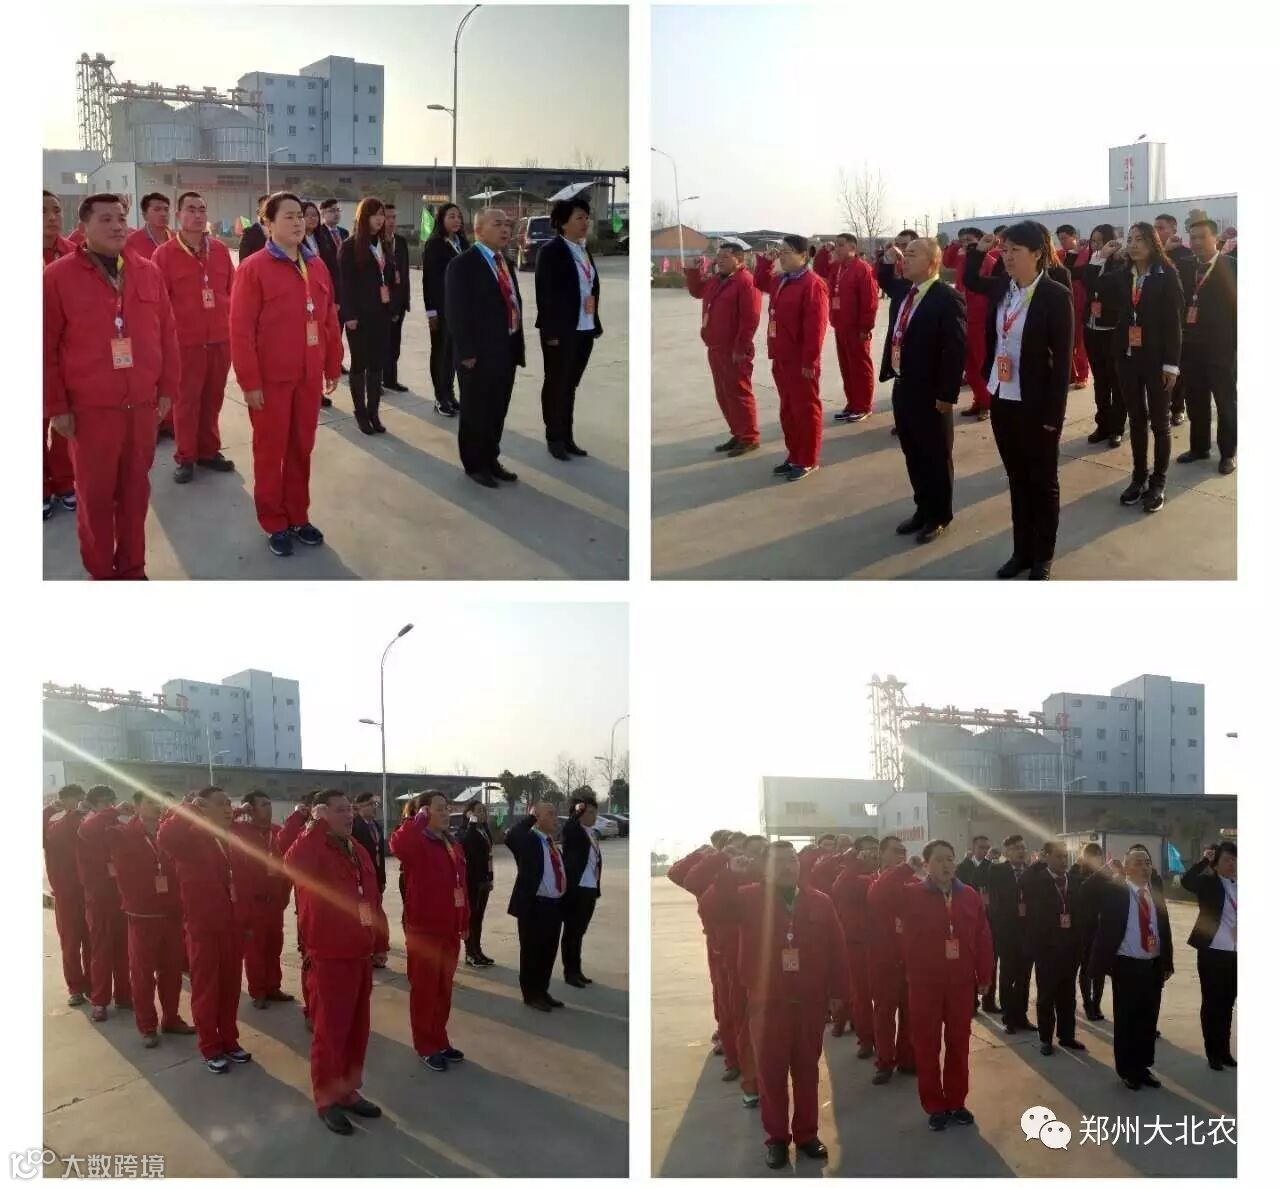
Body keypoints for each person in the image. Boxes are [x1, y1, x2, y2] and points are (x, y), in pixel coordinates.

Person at [43, 193, 180, 579]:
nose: (117, 226)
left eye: (121, 218)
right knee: (96, 498)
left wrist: (167, 389)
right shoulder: (57, 277)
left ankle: (133, 569)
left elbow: (167, 334)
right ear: (83, 227)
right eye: (105, 219)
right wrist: (56, 407)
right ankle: (101, 572)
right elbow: (45, 348)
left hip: (141, 407)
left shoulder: (147, 271)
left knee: (136, 494)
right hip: (91, 412)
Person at [709, 841, 849, 1169]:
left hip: (810, 1004)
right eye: (780, 862)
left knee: (807, 1071)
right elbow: (712, 909)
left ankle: (806, 1135)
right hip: (767, 1003)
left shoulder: (820, 901)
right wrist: (728, 872)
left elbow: (837, 948)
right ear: (766, 868)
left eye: (793, 860)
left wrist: (839, 991)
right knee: (771, 1075)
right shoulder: (747, 898)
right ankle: (776, 1139)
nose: (789, 867)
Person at [230, 191, 342, 557]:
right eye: (288, 216)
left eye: (300, 215)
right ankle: (274, 521)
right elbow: (241, 331)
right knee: (270, 451)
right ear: (268, 223)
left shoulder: (317, 266)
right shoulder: (254, 269)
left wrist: (332, 363)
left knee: (301, 448)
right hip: (271, 381)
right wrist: (249, 382)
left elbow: (328, 319)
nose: (297, 222)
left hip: (307, 377)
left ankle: (298, 516)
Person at [963, 222, 1074, 580]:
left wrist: (1053, 417)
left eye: (1016, 250)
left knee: (1042, 482)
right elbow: (970, 280)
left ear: (1037, 253)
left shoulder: (1055, 295)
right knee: (1017, 478)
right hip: (1002, 397)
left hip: (1036, 403)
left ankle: (1043, 556)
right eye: (1005, 250)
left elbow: (1062, 363)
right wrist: (979, 250)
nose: (1007, 257)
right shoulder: (1002, 288)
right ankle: (1021, 551)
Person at [284, 789, 387, 1133]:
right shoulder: (312, 848)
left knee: (357, 1031)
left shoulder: (356, 849)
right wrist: (314, 825)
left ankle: (348, 1091)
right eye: (341, 810)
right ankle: (327, 1099)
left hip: (360, 954)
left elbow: (372, 899)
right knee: (330, 1033)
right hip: (329, 957)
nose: (349, 815)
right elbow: (292, 866)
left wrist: (379, 940)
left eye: (350, 810)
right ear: (322, 813)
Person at [892, 839, 993, 1131]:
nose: (946, 865)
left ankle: (957, 1102)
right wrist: (904, 868)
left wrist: (984, 974)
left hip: (960, 983)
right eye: (938, 859)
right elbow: (877, 898)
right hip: (925, 983)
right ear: (926, 865)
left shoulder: (969, 895)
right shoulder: (910, 893)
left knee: (959, 1044)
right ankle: (935, 1105)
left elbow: (983, 936)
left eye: (950, 858)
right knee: (927, 1046)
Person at [1090, 223, 1185, 513]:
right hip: (1127, 358)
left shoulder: (1166, 274)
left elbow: (1174, 323)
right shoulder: (1123, 275)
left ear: (1153, 243)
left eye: (1140, 239)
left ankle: (1158, 482)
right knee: (1136, 419)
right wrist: (1100, 257)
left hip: (1157, 361)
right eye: (1130, 239)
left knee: (1160, 422)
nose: (1133, 244)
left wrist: (1171, 364)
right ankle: (1139, 477)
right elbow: (1093, 285)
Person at [878, 237, 966, 542]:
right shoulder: (905, 292)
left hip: (931, 391)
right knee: (912, 452)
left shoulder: (947, 297)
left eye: (913, 255)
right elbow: (884, 278)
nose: (906, 260)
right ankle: (922, 507)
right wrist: (887, 259)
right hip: (903, 385)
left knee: (935, 455)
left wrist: (947, 394)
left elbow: (955, 349)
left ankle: (939, 515)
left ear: (933, 262)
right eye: (905, 255)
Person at [157, 788, 251, 1073]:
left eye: (229, 803)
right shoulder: (190, 839)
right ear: (202, 806)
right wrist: (189, 807)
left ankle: (229, 1040)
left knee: (230, 989)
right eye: (220, 804)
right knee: (207, 990)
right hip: (204, 928)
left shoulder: (229, 837)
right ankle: (210, 1046)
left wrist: (246, 922)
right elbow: (166, 835)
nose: (227, 808)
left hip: (232, 927)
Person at [152, 191, 236, 485]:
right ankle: (186, 456)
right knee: (186, 403)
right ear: (179, 215)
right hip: (185, 344)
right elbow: (158, 304)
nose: (198, 215)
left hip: (220, 339)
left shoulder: (221, 250)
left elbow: (232, 290)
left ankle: (208, 451)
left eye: (202, 209)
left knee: (213, 399)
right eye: (191, 209)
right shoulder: (164, 255)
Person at [445, 207, 526, 488]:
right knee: (475, 411)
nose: (505, 229)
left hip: (506, 348)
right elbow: (456, 312)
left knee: (497, 409)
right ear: (478, 230)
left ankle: (491, 458)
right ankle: (475, 465)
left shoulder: (505, 262)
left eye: (507, 224)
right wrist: (466, 353)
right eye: (497, 224)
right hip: (478, 354)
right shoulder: (463, 265)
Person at [389, 791, 469, 1073]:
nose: (446, 813)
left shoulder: (451, 843)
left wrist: (464, 920)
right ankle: (425, 1045)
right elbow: (398, 844)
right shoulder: (417, 842)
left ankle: (440, 1040)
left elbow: (461, 885)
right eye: (439, 809)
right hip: (424, 930)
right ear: (423, 813)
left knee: (443, 990)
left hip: (449, 929)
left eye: (447, 808)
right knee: (425, 990)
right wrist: (418, 820)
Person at [107, 792, 193, 1047]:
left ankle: (171, 1019)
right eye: (150, 802)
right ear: (136, 806)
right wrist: (112, 811)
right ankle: (147, 1025)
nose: (157, 806)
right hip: (142, 915)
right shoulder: (121, 833)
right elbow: (89, 832)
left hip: (171, 913)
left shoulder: (168, 833)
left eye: (159, 802)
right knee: (143, 975)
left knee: (172, 972)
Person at [1088, 845, 1173, 1090]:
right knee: (1127, 1020)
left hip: (1152, 965)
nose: (1144, 867)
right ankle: (1127, 1070)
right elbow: (1086, 891)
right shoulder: (1116, 892)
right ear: (1126, 868)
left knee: (1148, 1018)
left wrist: (1167, 962)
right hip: (1126, 964)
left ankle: (1143, 1066)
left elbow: (1164, 928)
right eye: (1138, 863)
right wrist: (1106, 868)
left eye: (1147, 862)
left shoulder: (1154, 893)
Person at [753, 234, 830, 480]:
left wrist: (810, 361)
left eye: (787, 252)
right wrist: (765, 262)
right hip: (782, 356)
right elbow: (760, 282)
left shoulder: (812, 284)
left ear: (803, 256)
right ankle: (794, 454)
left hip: (801, 360)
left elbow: (816, 328)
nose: (782, 256)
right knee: (788, 410)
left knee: (805, 410)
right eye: (781, 251)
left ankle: (808, 459)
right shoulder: (781, 280)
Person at [535, 196, 603, 460]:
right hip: (560, 331)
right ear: (563, 223)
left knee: (570, 385)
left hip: (584, 329)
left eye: (587, 217)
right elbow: (545, 296)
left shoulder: (584, 251)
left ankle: (567, 436)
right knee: (556, 384)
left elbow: (590, 289)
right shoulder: (551, 252)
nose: (585, 222)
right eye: (579, 218)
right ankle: (554, 438)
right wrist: (551, 333)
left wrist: (594, 322)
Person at [685, 242, 762, 456]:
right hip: (715, 347)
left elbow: (750, 319)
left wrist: (741, 348)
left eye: (726, 257)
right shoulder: (717, 280)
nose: (720, 260)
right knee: (724, 394)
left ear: (739, 259)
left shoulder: (746, 282)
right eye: (718, 256)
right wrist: (693, 271)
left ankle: (749, 438)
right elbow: (697, 291)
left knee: (739, 394)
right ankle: (738, 433)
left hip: (734, 350)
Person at [1175, 218, 1236, 475]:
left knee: (1225, 402)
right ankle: (1199, 448)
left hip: (1221, 348)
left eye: (1202, 236)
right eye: (1193, 237)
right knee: (1195, 400)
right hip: (1191, 348)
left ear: (1215, 238)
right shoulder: (1184, 266)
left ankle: (1228, 453)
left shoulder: (1232, 266)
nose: (1197, 242)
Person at [1021, 840, 1086, 1057]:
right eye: (1058, 856)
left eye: (1065, 856)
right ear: (1046, 856)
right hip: (1047, 951)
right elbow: (1024, 890)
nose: (1063, 860)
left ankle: (1067, 1036)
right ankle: (1045, 1039)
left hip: (1070, 950)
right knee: (1046, 997)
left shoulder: (1074, 881)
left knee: (1068, 996)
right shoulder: (1036, 881)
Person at [230, 792, 295, 1009]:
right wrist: (240, 810)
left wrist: (284, 896)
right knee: (255, 949)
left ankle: (273, 987)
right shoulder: (240, 830)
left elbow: (286, 866)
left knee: (274, 946)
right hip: (253, 902)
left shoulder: (276, 832)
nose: (268, 808)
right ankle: (258, 991)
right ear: (251, 808)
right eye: (263, 804)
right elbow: (219, 824)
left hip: (274, 902)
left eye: (269, 803)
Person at [337, 197, 395, 435]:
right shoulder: (350, 247)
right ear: (363, 218)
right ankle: (360, 413)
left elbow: (390, 277)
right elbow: (345, 284)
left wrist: (393, 308)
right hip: (359, 317)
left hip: (381, 314)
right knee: (360, 363)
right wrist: (349, 315)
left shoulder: (384, 244)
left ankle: (374, 413)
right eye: (374, 215)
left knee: (377, 364)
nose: (380, 219)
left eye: (382, 214)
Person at [76, 786, 132, 1021]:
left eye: (112, 801)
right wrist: (113, 811)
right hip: (98, 899)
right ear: (93, 804)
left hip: (120, 897)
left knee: (123, 951)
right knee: (101, 952)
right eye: (104, 802)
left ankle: (124, 995)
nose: (109, 805)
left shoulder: (116, 824)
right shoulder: (87, 824)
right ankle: (100, 1001)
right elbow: (91, 829)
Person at [1179, 841, 1237, 1070]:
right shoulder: (1209, 883)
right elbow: (1186, 881)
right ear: (1216, 862)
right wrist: (1205, 860)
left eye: (1235, 860)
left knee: (1227, 1003)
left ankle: (1224, 1050)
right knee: (1212, 1002)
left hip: (1235, 952)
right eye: (1227, 859)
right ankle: (1212, 1051)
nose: (1232, 864)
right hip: (1212, 951)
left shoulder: (1240, 885)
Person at [504, 802, 567, 1010]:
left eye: (556, 813)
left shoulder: (550, 842)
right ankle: (531, 995)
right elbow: (511, 836)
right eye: (551, 814)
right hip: (534, 906)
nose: (556, 817)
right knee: (532, 953)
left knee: (548, 952)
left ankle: (542, 991)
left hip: (554, 906)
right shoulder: (529, 840)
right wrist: (532, 817)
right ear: (537, 818)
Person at [865, 836, 915, 1084]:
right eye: (895, 851)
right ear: (881, 853)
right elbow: (878, 895)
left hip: (910, 959)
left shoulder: (913, 881)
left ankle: (907, 1059)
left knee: (910, 1014)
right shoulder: (874, 880)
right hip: (883, 961)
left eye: (903, 851)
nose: (900, 855)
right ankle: (885, 1062)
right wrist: (905, 870)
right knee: (884, 1014)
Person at [42, 191, 77, 522]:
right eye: (42, 211)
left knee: (66, 423)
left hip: (66, 355)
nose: (52, 217)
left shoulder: (75, 254)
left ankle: (66, 482)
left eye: (55, 210)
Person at [829, 835, 880, 1057]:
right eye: (867, 850)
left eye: (875, 849)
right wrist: (854, 863)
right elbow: (838, 889)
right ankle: (866, 1040)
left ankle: (884, 1043)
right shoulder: (847, 875)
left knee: (884, 998)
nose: (872, 854)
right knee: (861, 995)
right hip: (856, 944)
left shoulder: (884, 873)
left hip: (883, 943)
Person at [1078, 223, 1126, 448]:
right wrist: (1097, 259)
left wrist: (1102, 258)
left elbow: (1104, 286)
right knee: (1101, 381)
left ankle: (1117, 427)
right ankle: (1103, 424)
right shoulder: (1093, 261)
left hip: (1112, 330)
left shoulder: (1121, 265)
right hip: (1092, 329)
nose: (1095, 246)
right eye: (1093, 241)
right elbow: (1085, 281)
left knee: (1117, 381)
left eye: (1100, 241)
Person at [43, 784, 91, 1005]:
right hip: (66, 895)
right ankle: (75, 988)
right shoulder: (53, 823)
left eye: (82, 799)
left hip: (90, 892)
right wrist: (49, 810)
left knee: (92, 943)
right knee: (70, 943)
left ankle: (92, 984)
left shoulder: (87, 821)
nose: (80, 803)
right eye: (76, 799)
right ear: (65, 800)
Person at [942, 227, 995, 422]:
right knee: (969, 366)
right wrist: (955, 244)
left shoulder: (990, 262)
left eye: (969, 239)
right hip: (963, 319)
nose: (965, 243)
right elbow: (946, 261)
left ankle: (988, 403)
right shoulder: (963, 260)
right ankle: (979, 400)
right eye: (962, 240)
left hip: (980, 321)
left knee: (982, 364)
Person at [826, 233, 879, 424]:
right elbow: (820, 270)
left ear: (853, 248)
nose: (837, 249)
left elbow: (870, 301)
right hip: (840, 326)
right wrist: (824, 252)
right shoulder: (838, 267)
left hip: (857, 328)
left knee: (860, 367)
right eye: (836, 245)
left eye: (841, 245)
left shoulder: (862, 269)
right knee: (847, 368)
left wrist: (865, 327)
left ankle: (863, 406)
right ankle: (852, 403)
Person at [422, 203, 469, 417]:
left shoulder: (463, 243)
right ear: (441, 219)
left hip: (461, 309)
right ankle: (440, 398)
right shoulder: (434, 244)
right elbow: (428, 281)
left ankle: (450, 394)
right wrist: (431, 312)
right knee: (440, 353)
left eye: (459, 216)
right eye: (451, 216)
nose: (456, 220)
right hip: (441, 309)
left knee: (453, 355)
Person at [986, 834, 1033, 1034]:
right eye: (1015, 848)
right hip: (1006, 934)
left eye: (1022, 847)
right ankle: (1009, 1018)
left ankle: (1022, 1016)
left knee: (1024, 977)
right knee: (1007, 976)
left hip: (1027, 934)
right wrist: (999, 931)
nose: (1021, 851)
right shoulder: (997, 871)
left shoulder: (1031, 872)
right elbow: (994, 904)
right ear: (1006, 852)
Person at [560, 793, 604, 989]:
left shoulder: (592, 833)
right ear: (580, 812)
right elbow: (569, 826)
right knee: (571, 932)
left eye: (595, 812)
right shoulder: (573, 830)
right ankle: (569, 973)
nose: (594, 816)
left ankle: (577, 970)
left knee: (580, 932)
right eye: (590, 812)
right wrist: (576, 811)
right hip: (576, 888)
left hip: (590, 888)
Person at [1070, 842, 1111, 1020]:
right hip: (1082, 928)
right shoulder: (1075, 873)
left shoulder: (1104, 875)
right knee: (1086, 967)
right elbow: (1082, 891)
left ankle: (1097, 1004)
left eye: (1099, 855)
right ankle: (1087, 1004)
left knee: (1100, 968)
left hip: (1101, 927)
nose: (1096, 858)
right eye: (1092, 855)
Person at [351, 792, 389, 968]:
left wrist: (382, 878)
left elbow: (380, 855)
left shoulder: (376, 826)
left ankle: (377, 949)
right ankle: (367, 951)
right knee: (365, 916)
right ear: (358, 807)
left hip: (376, 879)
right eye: (369, 804)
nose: (374, 808)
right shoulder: (354, 826)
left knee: (377, 915)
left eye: (375, 804)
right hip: (361, 881)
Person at [459, 800, 496, 966]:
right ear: (469, 813)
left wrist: (490, 877)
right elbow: (467, 842)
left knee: (478, 918)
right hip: (472, 880)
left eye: (484, 810)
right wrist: (472, 822)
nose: (482, 813)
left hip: (484, 880)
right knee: (471, 917)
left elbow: (489, 856)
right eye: (478, 810)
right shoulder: (466, 830)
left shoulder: (484, 830)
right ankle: (470, 953)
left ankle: (478, 951)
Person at [380, 203, 411, 393]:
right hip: (382, 303)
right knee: (380, 344)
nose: (391, 221)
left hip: (399, 302)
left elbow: (405, 272)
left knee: (394, 344)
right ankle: (375, 381)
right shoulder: (375, 243)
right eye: (387, 217)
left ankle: (390, 379)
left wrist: (405, 300)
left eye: (394, 217)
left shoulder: (401, 242)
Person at [1055, 225, 1091, 389]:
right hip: (1065, 303)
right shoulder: (1059, 255)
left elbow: (1078, 274)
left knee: (1080, 342)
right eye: (1060, 239)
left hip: (1082, 303)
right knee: (1067, 340)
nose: (1062, 241)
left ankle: (1082, 375)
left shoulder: (1087, 253)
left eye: (1065, 238)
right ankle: (1071, 373)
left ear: (1074, 236)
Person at [125, 193, 172, 261]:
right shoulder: (131, 241)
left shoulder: (177, 238)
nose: (163, 214)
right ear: (145, 215)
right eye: (157, 209)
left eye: (166, 210)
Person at [237, 196, 270, 263]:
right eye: (267, 208)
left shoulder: (283, 234)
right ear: (258, 212)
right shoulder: (249, 234)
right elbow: (243, 263)